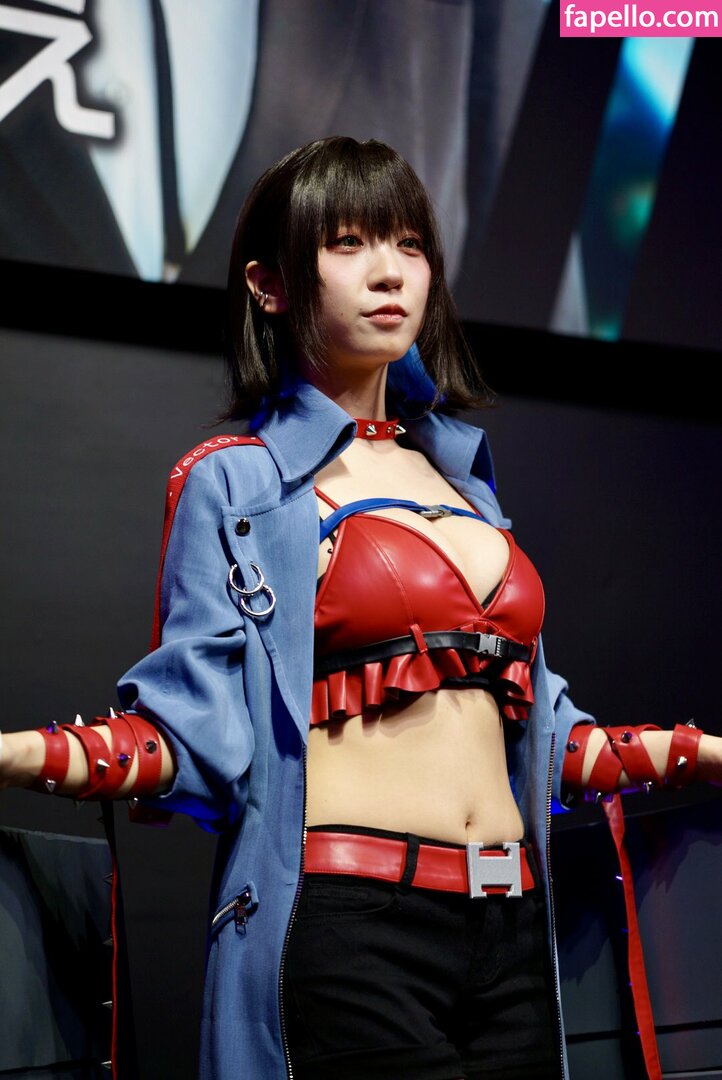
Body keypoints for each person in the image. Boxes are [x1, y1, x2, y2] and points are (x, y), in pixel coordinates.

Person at [0, 135, 720, 1080]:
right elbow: (188, 736)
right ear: (270, 285)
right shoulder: (239, 484)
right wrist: (18, 754)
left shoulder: (466, 484)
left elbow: (550, 747)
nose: (390, 272)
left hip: (512, 931)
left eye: (409, 244)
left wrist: (703, 751)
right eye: (348, 243)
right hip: (352, 931)